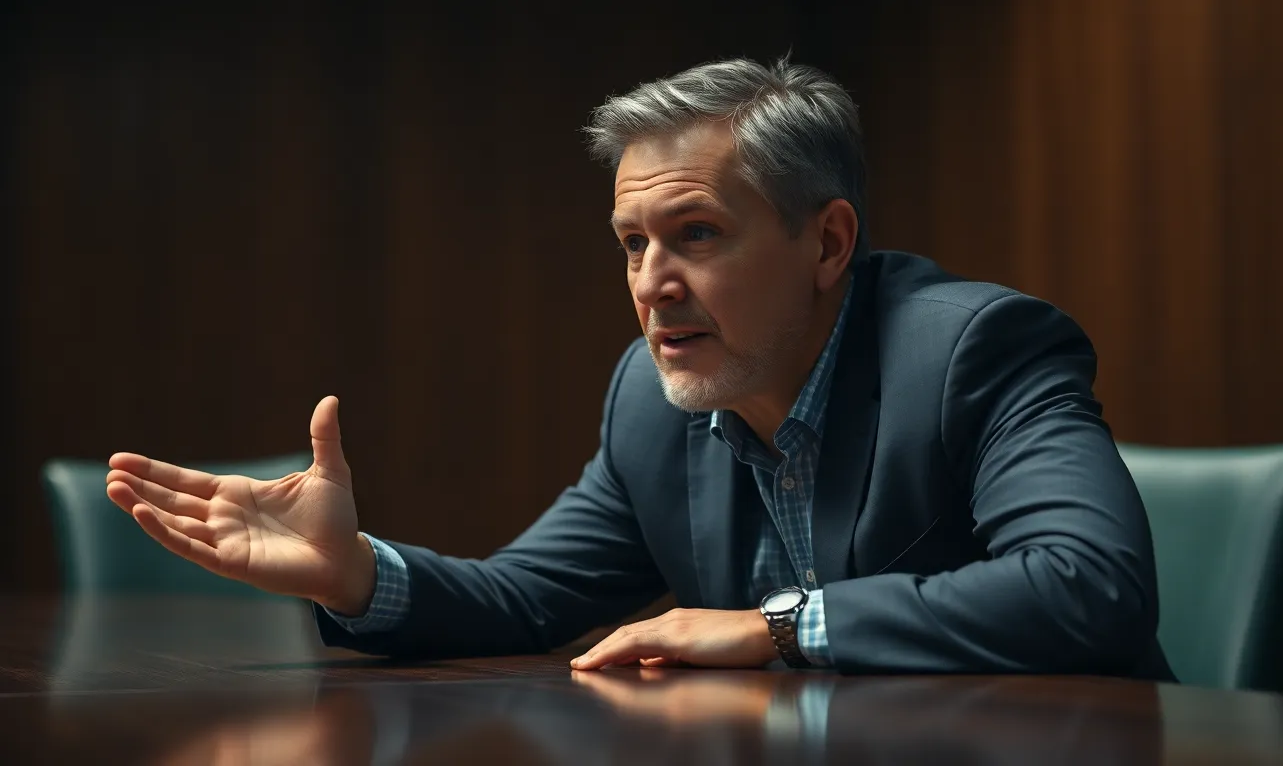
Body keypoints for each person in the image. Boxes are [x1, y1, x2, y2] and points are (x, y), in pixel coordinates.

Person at [104, 57, 1174, 680]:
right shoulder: (649, 397)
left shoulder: (973, 349)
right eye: (631, 243)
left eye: (698, 235)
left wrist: (774, 626)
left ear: (829, 243)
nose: (652, 284)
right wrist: (354, 574)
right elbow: (529, 596)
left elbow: (1092, 586)